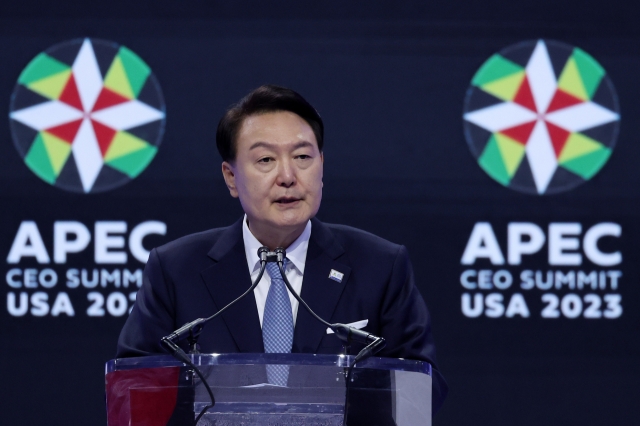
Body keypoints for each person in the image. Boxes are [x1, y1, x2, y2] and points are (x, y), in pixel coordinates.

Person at [116, 84, 448, 412]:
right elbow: (131, 391)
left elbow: (423, 390)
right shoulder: (175, 270)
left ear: (321, 165)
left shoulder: (380, 266)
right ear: (231, 177)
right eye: (265, 159)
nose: (287, 176)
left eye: (303, 156)